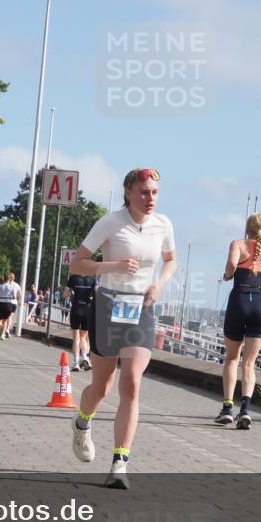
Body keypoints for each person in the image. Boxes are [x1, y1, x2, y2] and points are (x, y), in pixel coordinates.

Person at [69, 168, 176, 489]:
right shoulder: (110, 222)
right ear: (128, 192)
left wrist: (159, 284)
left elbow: (170, 260)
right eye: (144, 192)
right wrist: (111, 266)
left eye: (155, 192)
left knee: (131, 384)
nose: (150, 198)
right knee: (102, 388)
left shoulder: (163, 224)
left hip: (141, 306)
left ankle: (120, 462)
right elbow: (78, 263)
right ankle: (82, 423)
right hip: (108, 305)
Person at [214, 213, 261, 429]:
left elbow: (230, 266)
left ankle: (228, 407)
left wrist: (228, 276)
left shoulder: (238, 244)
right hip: (260, 305)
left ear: (247, 229)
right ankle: (245, 409)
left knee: (232, 358)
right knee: (249, 363)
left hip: (239, 302)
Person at [66, 270, 96, 372]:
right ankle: (85, 358)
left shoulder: (73, 278)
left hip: (76, 309)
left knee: (76, 338)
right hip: (87, 310)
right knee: (83, 337)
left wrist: (71, 291)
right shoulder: (92, 280)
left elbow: (65, 294)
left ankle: (76, 363)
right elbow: (98, 292)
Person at [0, 273, 21, 340]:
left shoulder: (0, 286)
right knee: (5, 320)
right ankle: (2, 335)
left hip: (0, 303)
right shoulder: (11, 287)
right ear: (9, 279)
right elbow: (14, 296)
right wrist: (12, 297)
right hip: (8, 303)